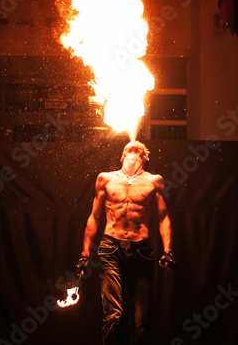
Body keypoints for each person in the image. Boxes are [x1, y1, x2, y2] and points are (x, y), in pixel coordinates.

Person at [75, 140, 176, 345]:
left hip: (142, 252)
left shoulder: (155, 181)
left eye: (138, 149)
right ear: (122, 157)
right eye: (128, 149)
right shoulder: (105, 179)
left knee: (141, 322)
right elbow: (94, 217)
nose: (133, 146)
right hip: (110, 250)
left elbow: (163, 217)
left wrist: (168, 251)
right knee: (113, 316)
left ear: (145, 158)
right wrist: (84, 255)